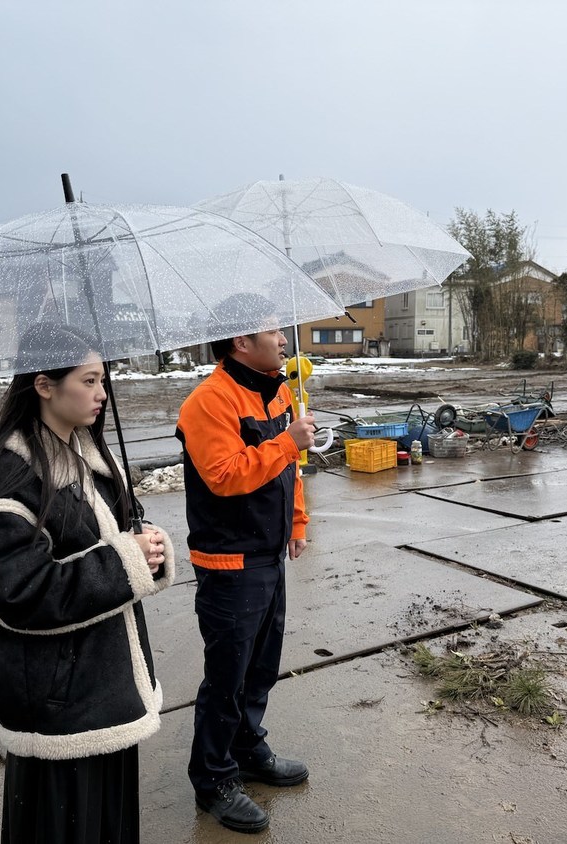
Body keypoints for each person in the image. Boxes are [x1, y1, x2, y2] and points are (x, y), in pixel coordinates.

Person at [0, 322, 175, 843]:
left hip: (103, 686)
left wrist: (145, 548)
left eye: (103, 381)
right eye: (89, 380)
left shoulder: (85, 454)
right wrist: (125, 560)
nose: (102, 394)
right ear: (44, 385)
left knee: (109, 824)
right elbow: (21, 594)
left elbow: (108, 541)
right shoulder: (11, 479)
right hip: (60, 706)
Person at [175, 299, 317, 834]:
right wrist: (287, 441)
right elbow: (224, 476)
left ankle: (247, 746)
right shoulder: (207, 402)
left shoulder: (278, 390)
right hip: (228, 560)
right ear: (239, 342)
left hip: (268, 552)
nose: (282, 340)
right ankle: (212, 779)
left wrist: (297, 523)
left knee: (261, 666)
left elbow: (290, 471)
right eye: (271, 330)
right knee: (227, 676)